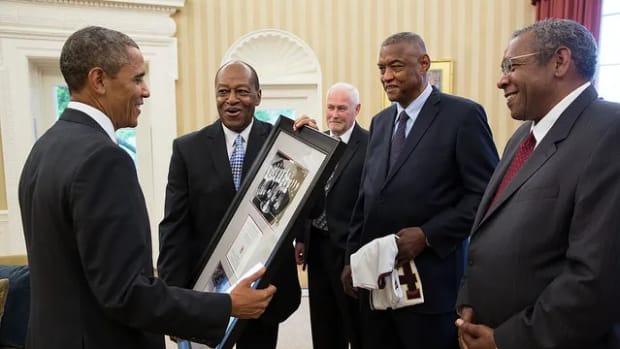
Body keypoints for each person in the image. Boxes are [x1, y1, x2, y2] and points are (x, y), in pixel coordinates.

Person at [17, 26, 276, 349]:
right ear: (99, 80)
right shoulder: (104, 160)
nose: (146, 91)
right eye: (137, 79)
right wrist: (226, 306)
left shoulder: (45, 147)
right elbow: (125, 292)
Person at [455, 19, 620, 349]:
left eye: (511, 66)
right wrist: (468, 304)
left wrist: (507, 339)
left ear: (559, 61)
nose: (501, 80)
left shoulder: (610, 131)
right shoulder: (523, 136)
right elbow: (488, 228)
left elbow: (595, 277)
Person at [342, 32, 499, 349]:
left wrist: (428, 234)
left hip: (432, 287)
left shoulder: (463, 116)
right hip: (378, 283)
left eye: (396, 66)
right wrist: (351, 260)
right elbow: (366, 199)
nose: (386, 76)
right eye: (381, 68)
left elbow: (485, 197)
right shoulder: (381, 122)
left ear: (423, 63)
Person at [158, 60, 301, 348]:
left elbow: (307, 209)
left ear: (258, 96)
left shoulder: (285, 145)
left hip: (263, 295)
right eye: (223, 91)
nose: (231, 99)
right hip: (206, 296)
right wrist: (174, 305)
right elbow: (174, 229)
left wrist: (312, 147)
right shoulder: (187, 149)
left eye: (242, 91)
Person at [294, 82, 368, 349]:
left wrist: (353, 255)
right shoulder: (316, 141)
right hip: (317, 247)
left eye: (341, 108)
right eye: (330, 107)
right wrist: (301, 238)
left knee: (354, 327)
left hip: (350, 252)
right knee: (323, 327)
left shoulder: (370, 145)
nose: (334, 114)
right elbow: (304, 191)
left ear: (356, 109)